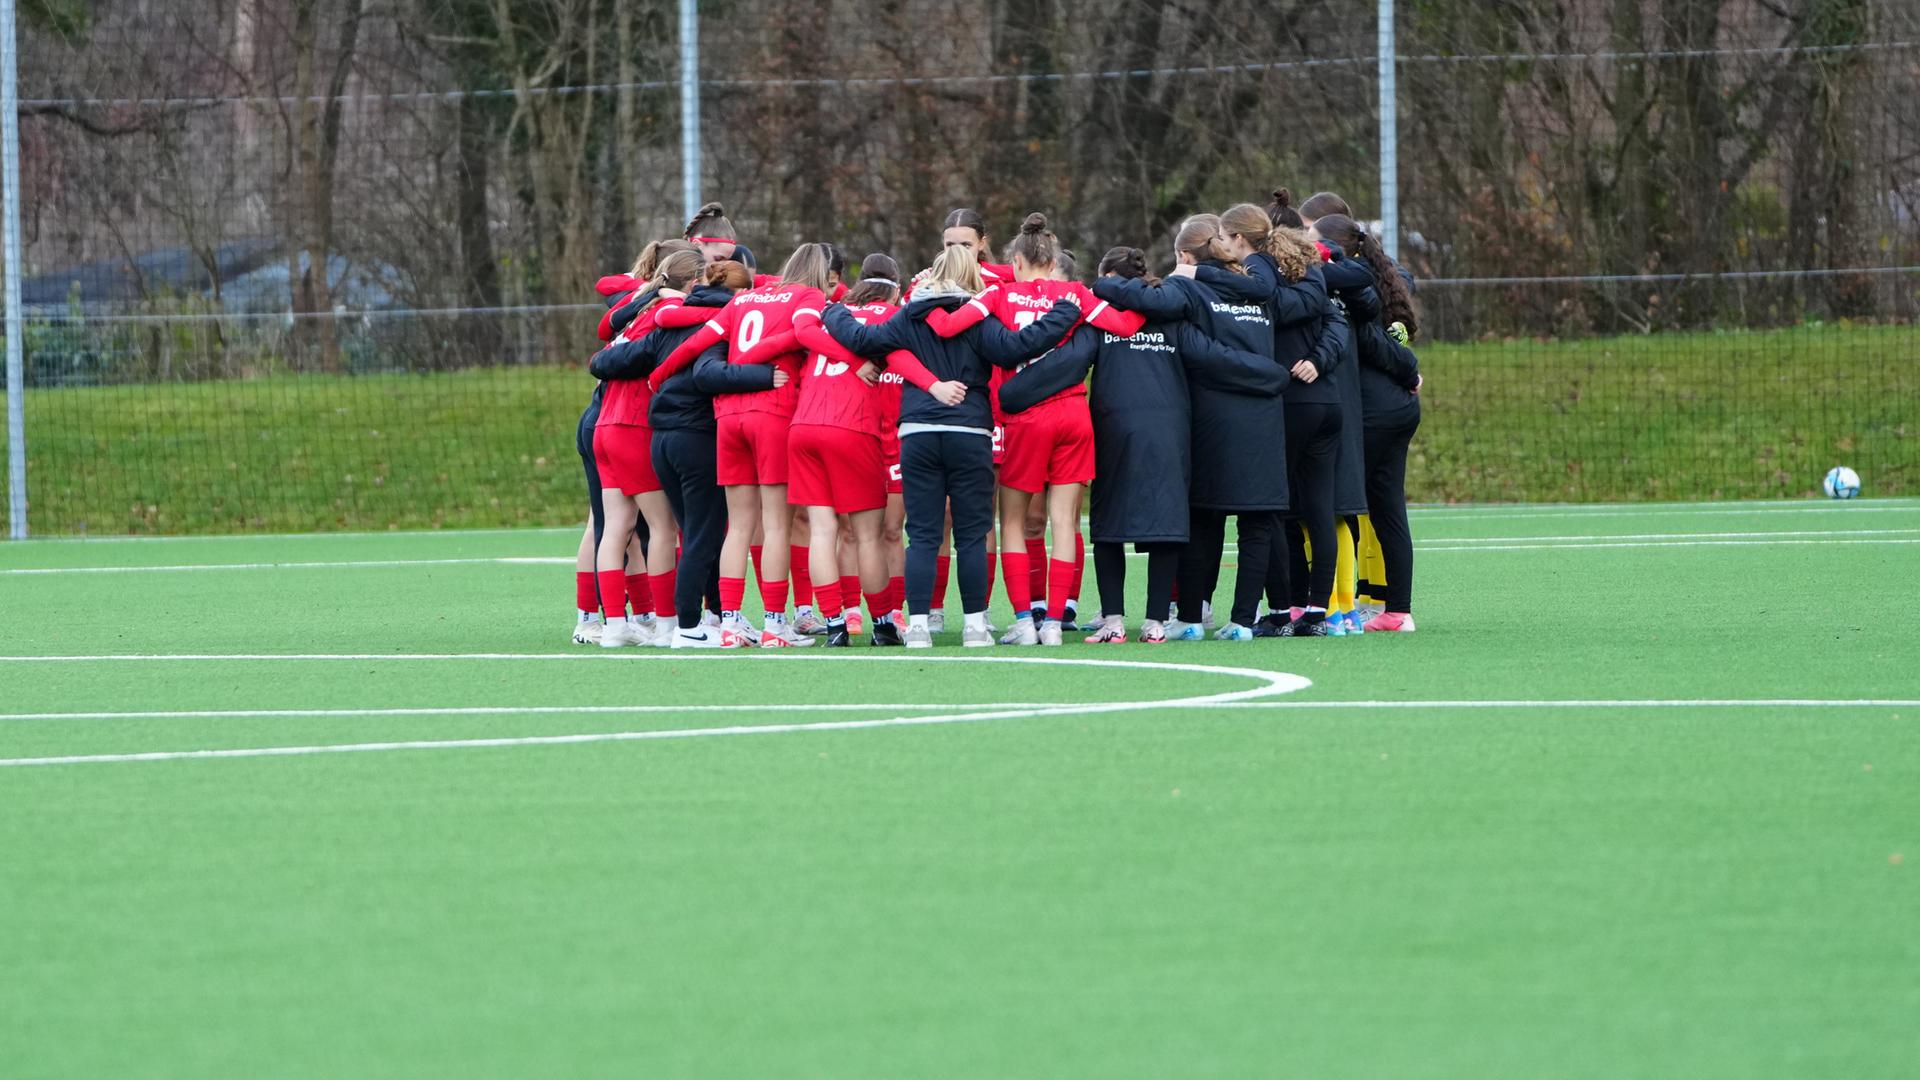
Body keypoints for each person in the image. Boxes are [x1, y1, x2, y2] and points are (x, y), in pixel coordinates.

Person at [1000, 246, 1285, 643]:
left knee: (1110, 525)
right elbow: (1218, 358)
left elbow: (1065, 363)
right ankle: (1154, 622)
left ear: (1110, 281)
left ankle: (1114, 620)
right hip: (1170, 433)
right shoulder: (1174, 320)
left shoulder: (1102, 322)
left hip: (1115, 430)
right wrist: (1273, 374)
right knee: (1166, 522)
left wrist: (1010, 394)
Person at [821, 244, 1080, 648]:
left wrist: (831, 307)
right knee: (973, 535)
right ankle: (976, 626)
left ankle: (919, 626)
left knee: (922, 535)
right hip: (970, 433)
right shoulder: (979, 318)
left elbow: (859, 337)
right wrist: (1065, 311)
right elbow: (1020, 346)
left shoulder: (909, 315)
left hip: (918, 434)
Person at [1091, 215, 1292, 642]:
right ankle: (1241, 621)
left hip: (1215, 416)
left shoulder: (1188, 287)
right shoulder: (1256, 288)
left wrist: (1100, 286)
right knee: (1255, 521)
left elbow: (1156, 305)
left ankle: (1193, 619)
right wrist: (1273, 375)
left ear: (1184, 256)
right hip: (1264, 415)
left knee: (1206, 517)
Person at [649, 243, 840, 648]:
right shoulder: (809, 297)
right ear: (821, 274)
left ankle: (731, 622)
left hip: (727, 418)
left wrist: (660, 375)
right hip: (772, 412)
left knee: (737, 526)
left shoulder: (745, 300)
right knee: (774, 525)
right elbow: (806, 333)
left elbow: (697, 343)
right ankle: (774, 623)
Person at [615, 259, 782, 647]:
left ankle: (716, 617)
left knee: (696, 532)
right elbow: (709, 372)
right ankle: (689, 626)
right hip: (696, 436)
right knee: (704, 535)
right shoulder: (724, 322)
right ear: (740, 294)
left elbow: (610, 361)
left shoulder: (669, 320)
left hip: (661, 438)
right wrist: (765, 375)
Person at [587, 250, 706, 646]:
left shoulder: (639, 311)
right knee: (662, 527)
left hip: (604, 425)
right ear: (692, 284)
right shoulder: (666, 314)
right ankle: (668, 625)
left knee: (616, 528)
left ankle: (615, 627)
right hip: (633, 426)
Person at [1311, 213, 1422, 633]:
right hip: (1396, 407)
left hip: (1374, 410)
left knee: (1344, 505)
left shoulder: (1351, 288)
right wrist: (1409, 373)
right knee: (1386, 506)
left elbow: (1373, 343)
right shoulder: (1378, 278)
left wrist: (1408, 369)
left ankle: (1340, 608)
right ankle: (1398, 609)